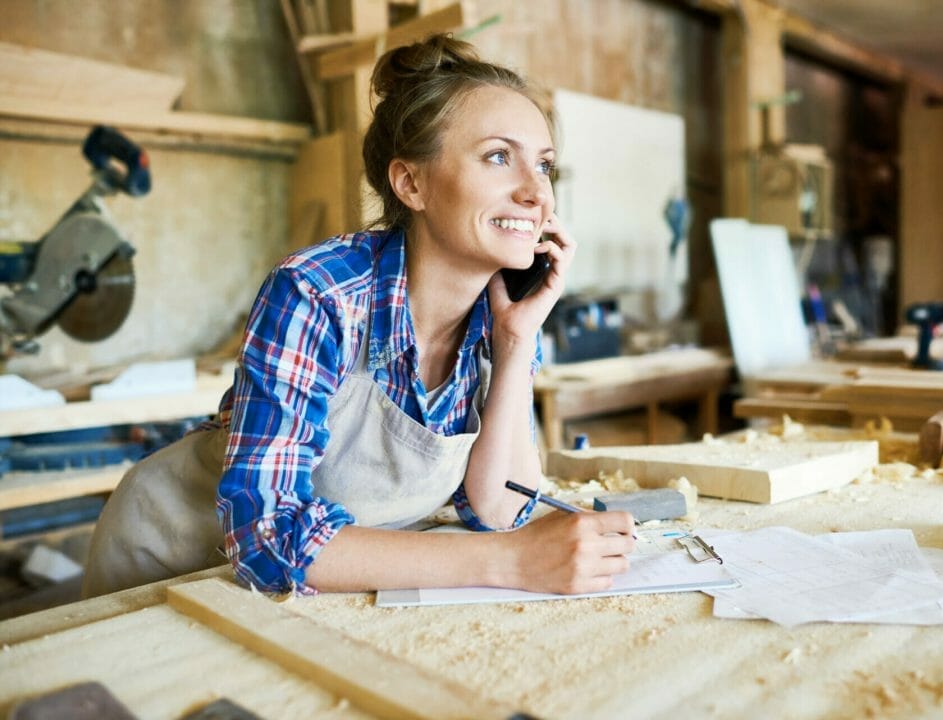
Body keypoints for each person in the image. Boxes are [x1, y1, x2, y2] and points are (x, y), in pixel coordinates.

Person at [83, 33, 635, 598]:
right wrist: (508, 563)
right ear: (410, 183)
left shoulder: (501, 314)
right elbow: (268, 539)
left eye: (544, 166)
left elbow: (497, 508)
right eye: (499, 157)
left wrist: (516, 342)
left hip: (314, 587)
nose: (536, 192)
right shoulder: (318, 293)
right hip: (174, 565)